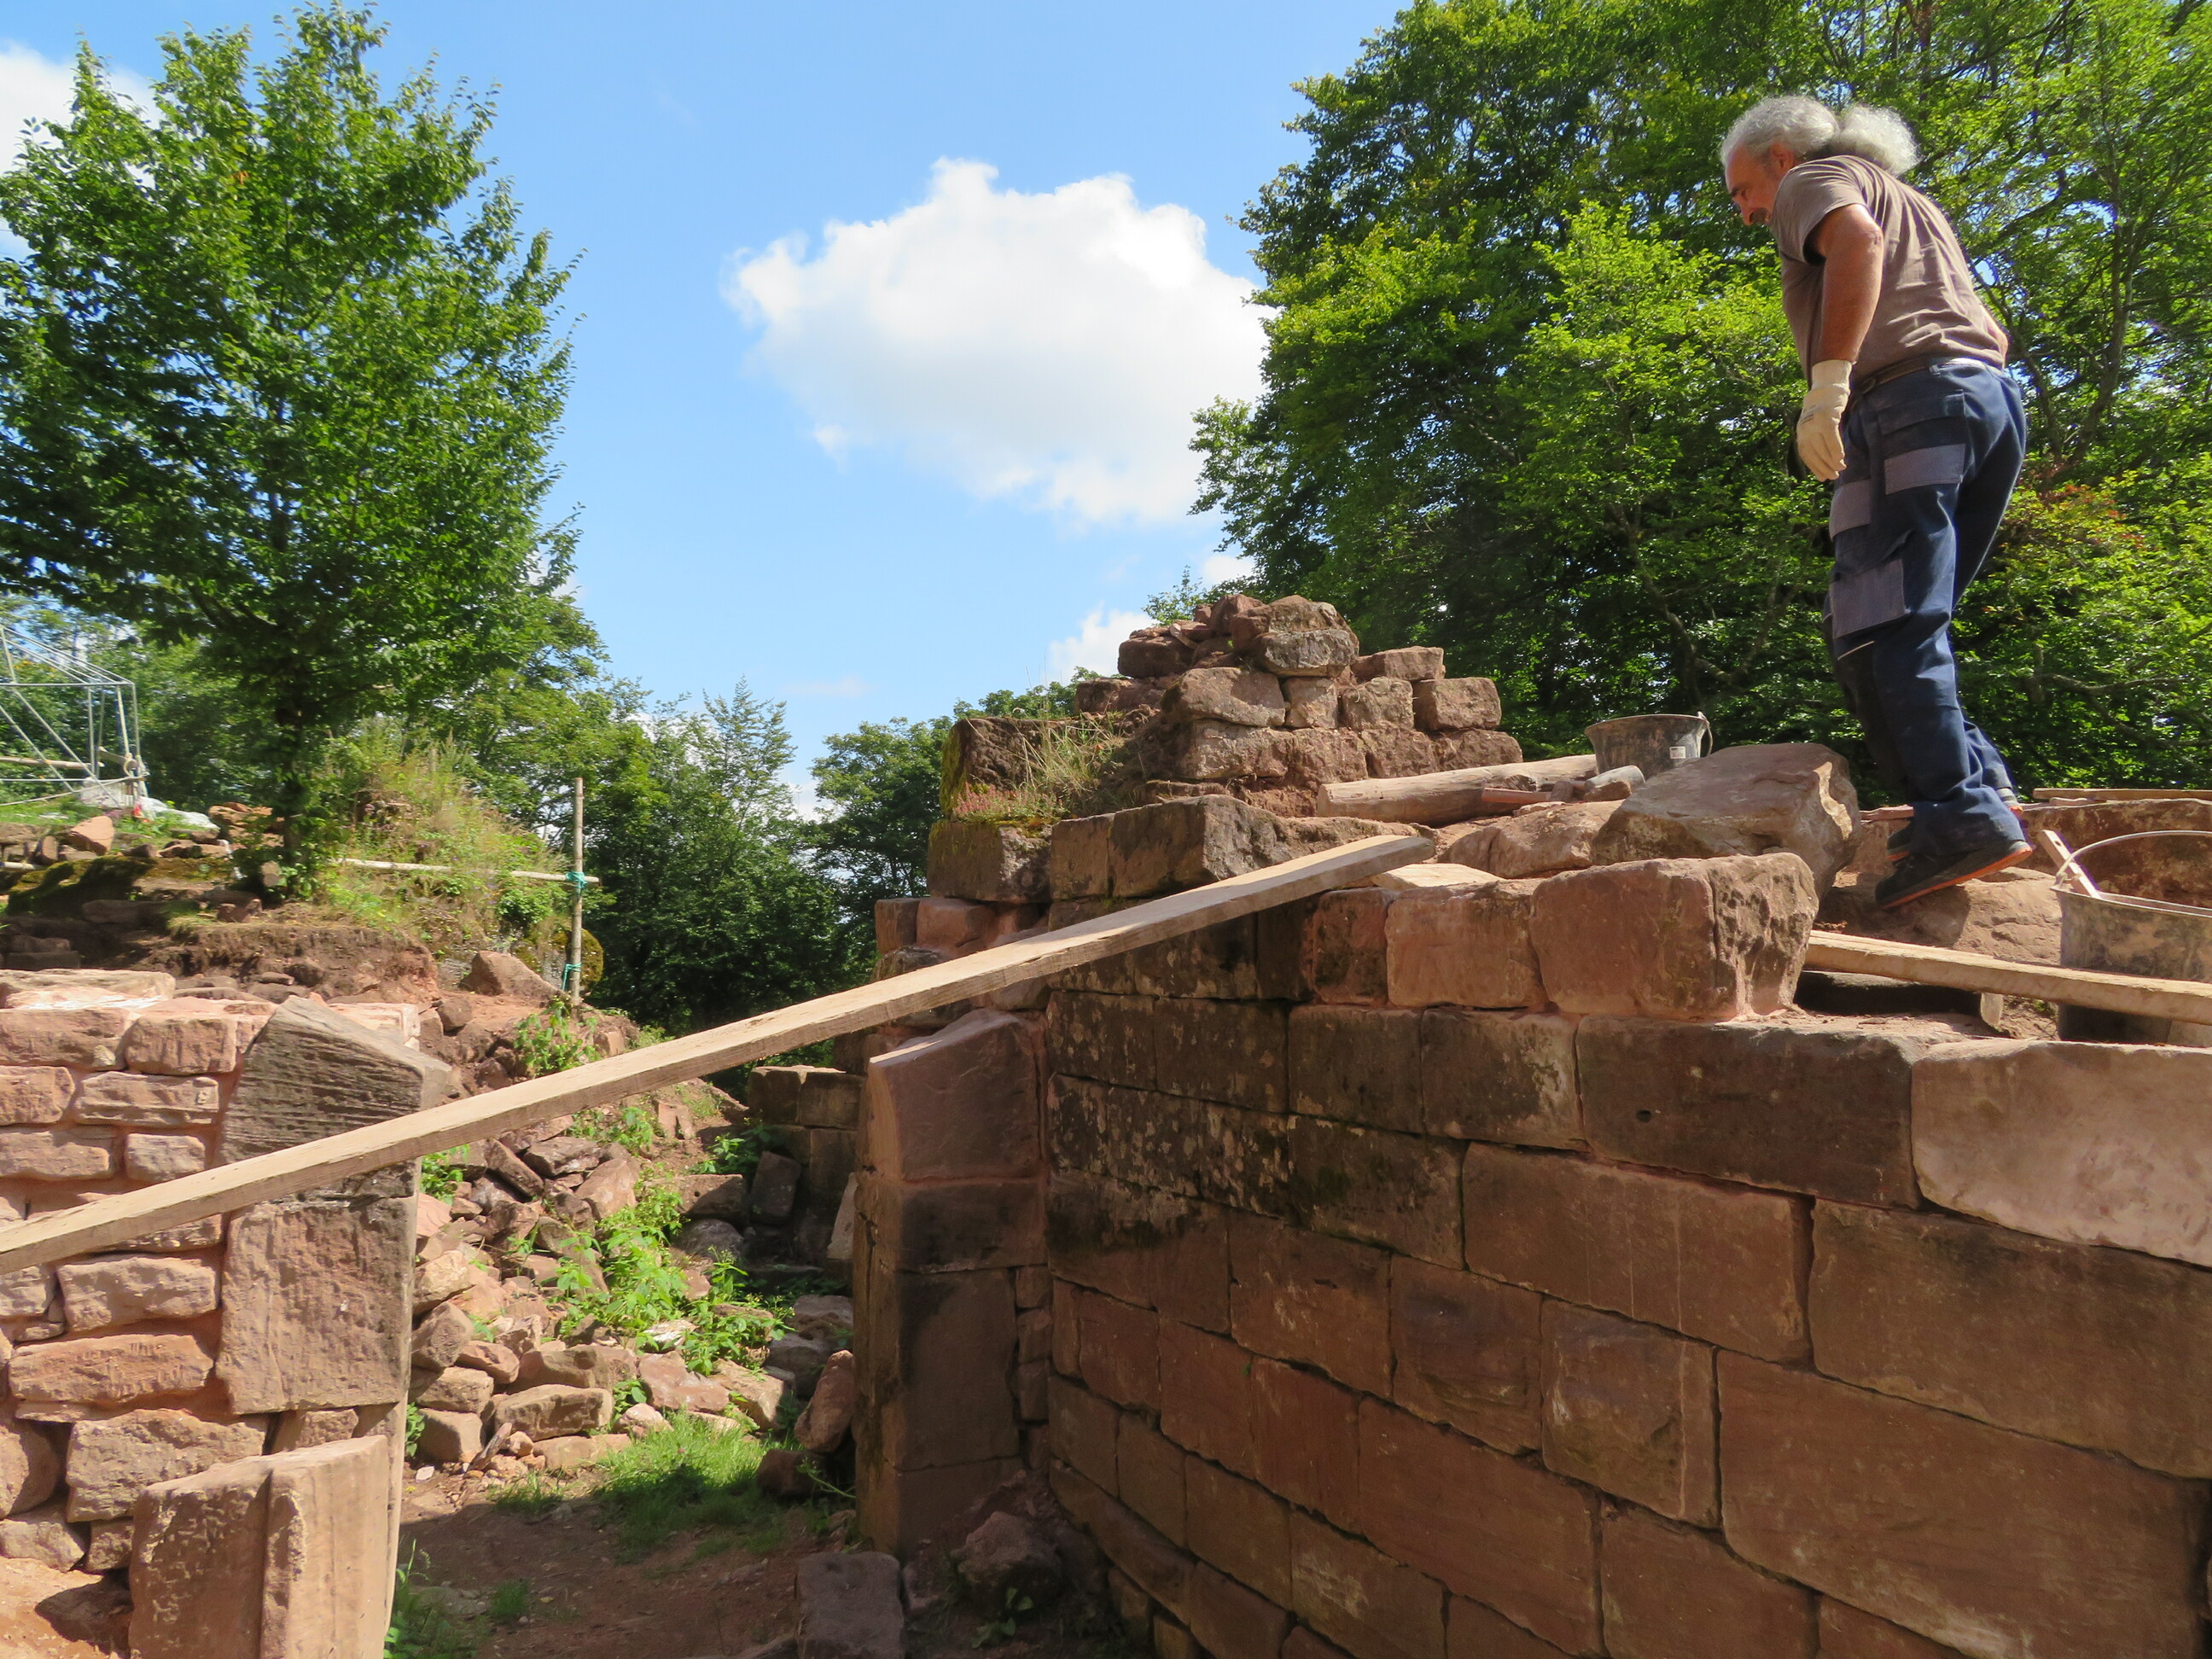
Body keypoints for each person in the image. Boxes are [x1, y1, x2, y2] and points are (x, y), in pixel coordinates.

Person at [1722, 95, 2030, 907]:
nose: (1747, 212)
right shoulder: (1908, 197)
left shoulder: (1810, 180)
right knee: (1912, 619)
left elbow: (1856, 243)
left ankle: (1961, 816)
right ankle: (1985, 795)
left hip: (1908, 408)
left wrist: (1828, 388)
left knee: (1873, 626)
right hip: (1985, 403)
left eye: (1742, 190)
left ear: (1780, 157)